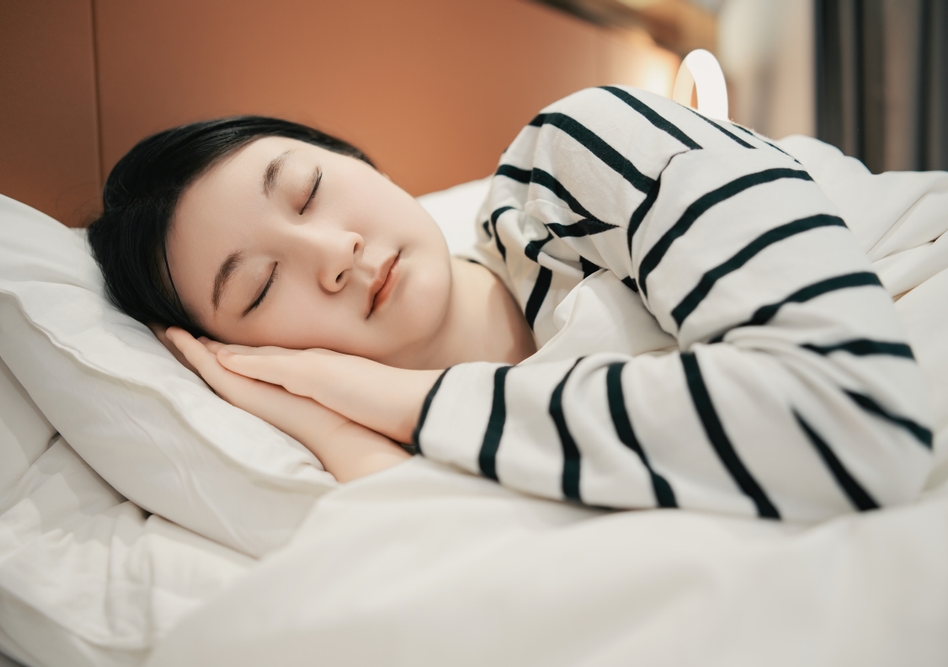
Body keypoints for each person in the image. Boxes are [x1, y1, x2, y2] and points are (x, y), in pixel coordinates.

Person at [88, 86, 933, 521]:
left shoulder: (571, 156)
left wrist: (393, 396)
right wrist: (330, 425)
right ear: (244, 352)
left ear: (361, 160)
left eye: (309, 189)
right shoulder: (439, 448)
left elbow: (854, 416)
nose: (333, 254)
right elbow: (488, 568)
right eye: (260, 286)